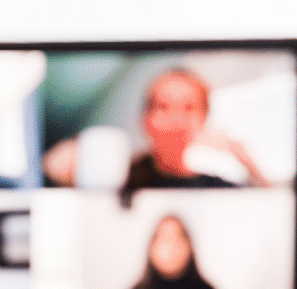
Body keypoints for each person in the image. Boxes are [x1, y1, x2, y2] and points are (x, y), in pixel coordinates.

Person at [44, 68, 269, 202]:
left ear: (204, 118)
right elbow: (52, 166)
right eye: (163, 107)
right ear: (145, 119)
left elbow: (280, 212)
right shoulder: (123, 177)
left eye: (189, 108)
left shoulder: (217, 189)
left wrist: (243, 156)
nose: (176, 119)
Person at [117, 214, 235, 289]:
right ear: (151, 247)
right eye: (164, 238)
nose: (171, 246)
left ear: (189, 247)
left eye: (178, 238)